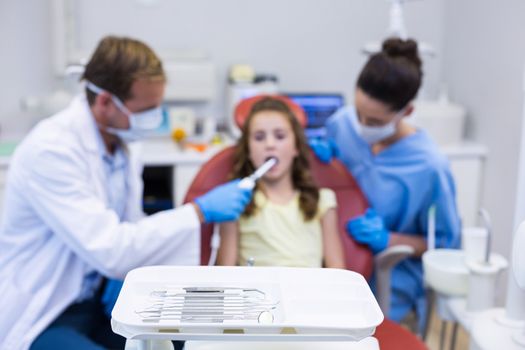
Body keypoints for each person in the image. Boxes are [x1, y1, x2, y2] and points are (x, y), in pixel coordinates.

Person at [0, 36, 253, 350]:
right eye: (146, 110)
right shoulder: (51, 151)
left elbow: (132, 226)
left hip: (100, 299)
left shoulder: (124, 141)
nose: (155, 118)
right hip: (47, 309)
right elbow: (112, 249)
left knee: (179, 344)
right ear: (106, 102)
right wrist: (198, 212)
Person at [309, 38, 461, 328]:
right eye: (359, 113)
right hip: (329, 260)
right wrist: (320, 162)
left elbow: (444, 245)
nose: (362, 125)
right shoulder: (342, 124)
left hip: (389, 281)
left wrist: (389, 239)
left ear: (407, 112)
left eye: (376, 122)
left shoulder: (430, 166)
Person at [216, 97, 346, 269]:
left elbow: (338, 272)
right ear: (247, 150)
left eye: (280, 136)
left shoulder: (322, 201)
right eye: (259, 137)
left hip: (310, 294)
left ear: (296, 147)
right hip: (259, 294)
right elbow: (225, 274)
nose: (270, 144)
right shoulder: (235, 203)